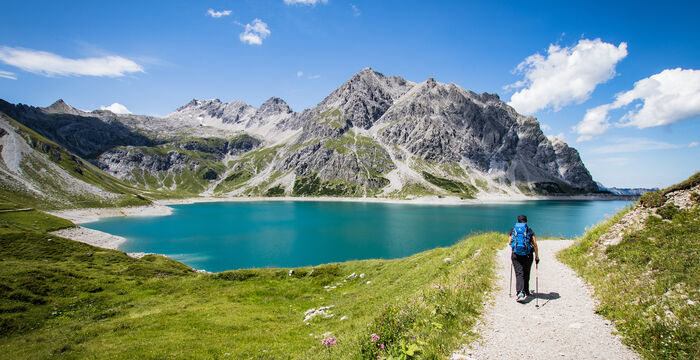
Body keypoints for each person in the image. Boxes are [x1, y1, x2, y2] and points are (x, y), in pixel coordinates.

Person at [509, 214, 539, 302]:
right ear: (526, 221)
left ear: (517, 221)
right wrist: (537, 256)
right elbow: (535, 244)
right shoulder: (529, 230)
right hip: (528, 255)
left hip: (516, 255)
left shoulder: (513, 229)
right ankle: (526, 290)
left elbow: (509, 242)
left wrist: (515, 248)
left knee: (519, 273)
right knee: (526, 272)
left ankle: (520, 292)